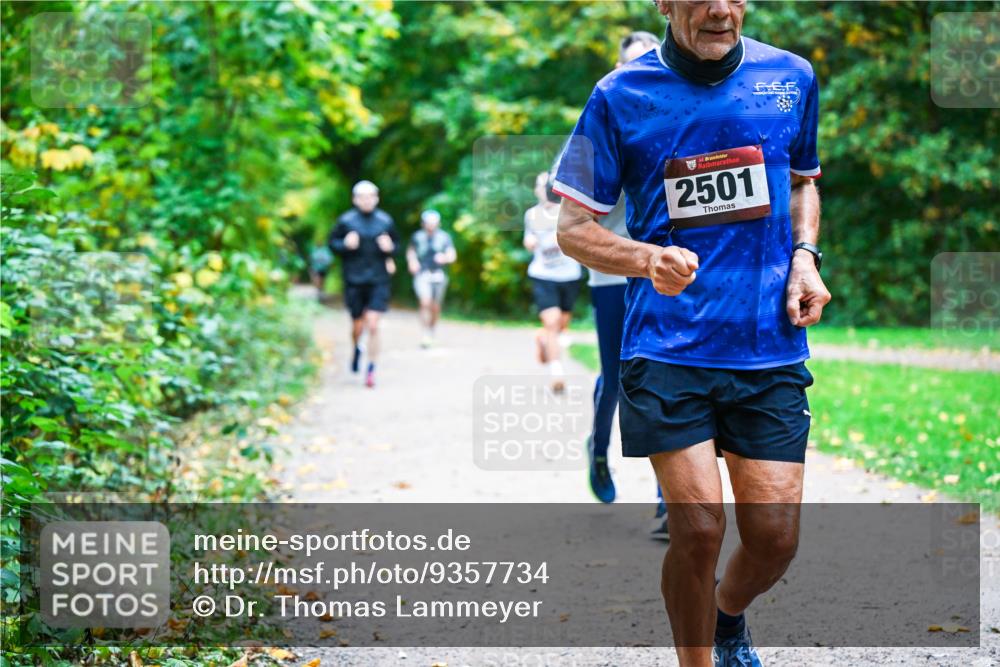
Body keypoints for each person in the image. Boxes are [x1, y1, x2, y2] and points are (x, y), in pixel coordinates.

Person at [554, 2, 830, 666]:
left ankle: (727, 617)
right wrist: (646, 258)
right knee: (700, 528)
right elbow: (573, 228)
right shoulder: (619, 96)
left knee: (774, 539)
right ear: (665, 5)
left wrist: (804, 258)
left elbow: (804, 183)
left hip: (767, 347)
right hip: (666, 346)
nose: (719, 10)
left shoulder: (789, 77)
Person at [583, 30, 661, 508]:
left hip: (666, 271)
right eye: (631, 63)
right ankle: (598, 450)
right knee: (616, 376)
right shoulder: (601, 114)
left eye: (649, 61)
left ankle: (666, 499)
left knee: (663, 375)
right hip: (613, 272)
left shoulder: (680, 116)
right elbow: (562, 198)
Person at [328, 180, 400, 389]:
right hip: (354, 280)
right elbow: (332, 245)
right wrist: (345, 244)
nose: (367, 200)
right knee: (358, 325)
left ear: (377, 198)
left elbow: (397, 246)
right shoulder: (346, 221)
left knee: (374, 324)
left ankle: (371, 368)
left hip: (378, 279)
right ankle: (357, 347)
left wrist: (390, 248)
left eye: (371, 196)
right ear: (355, 199)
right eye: (363, 196)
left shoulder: (385, 221)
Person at [524, 170, 582, 394]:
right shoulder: (532, 215)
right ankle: (557, 373)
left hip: (569, 275)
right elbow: (529, 238)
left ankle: (543, 339)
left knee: (561, 325)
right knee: (553, 322)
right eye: (540, 186)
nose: (544, 189)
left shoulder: (566, 211)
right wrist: (529, 242)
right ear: (537, 191)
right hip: (543, 275)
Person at [407, 209, 457, 347]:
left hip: (439, 275)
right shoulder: (417, 237)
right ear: (423, 224)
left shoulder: (445, 237)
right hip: (422, 274)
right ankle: (425, 333)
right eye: (428, 223)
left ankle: (432, 330)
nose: (431, 226)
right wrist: (412, 262)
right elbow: (411, 251)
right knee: (424, 302)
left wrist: (445, 258)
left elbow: (452, 255)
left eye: (433, 223)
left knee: (435, 306)